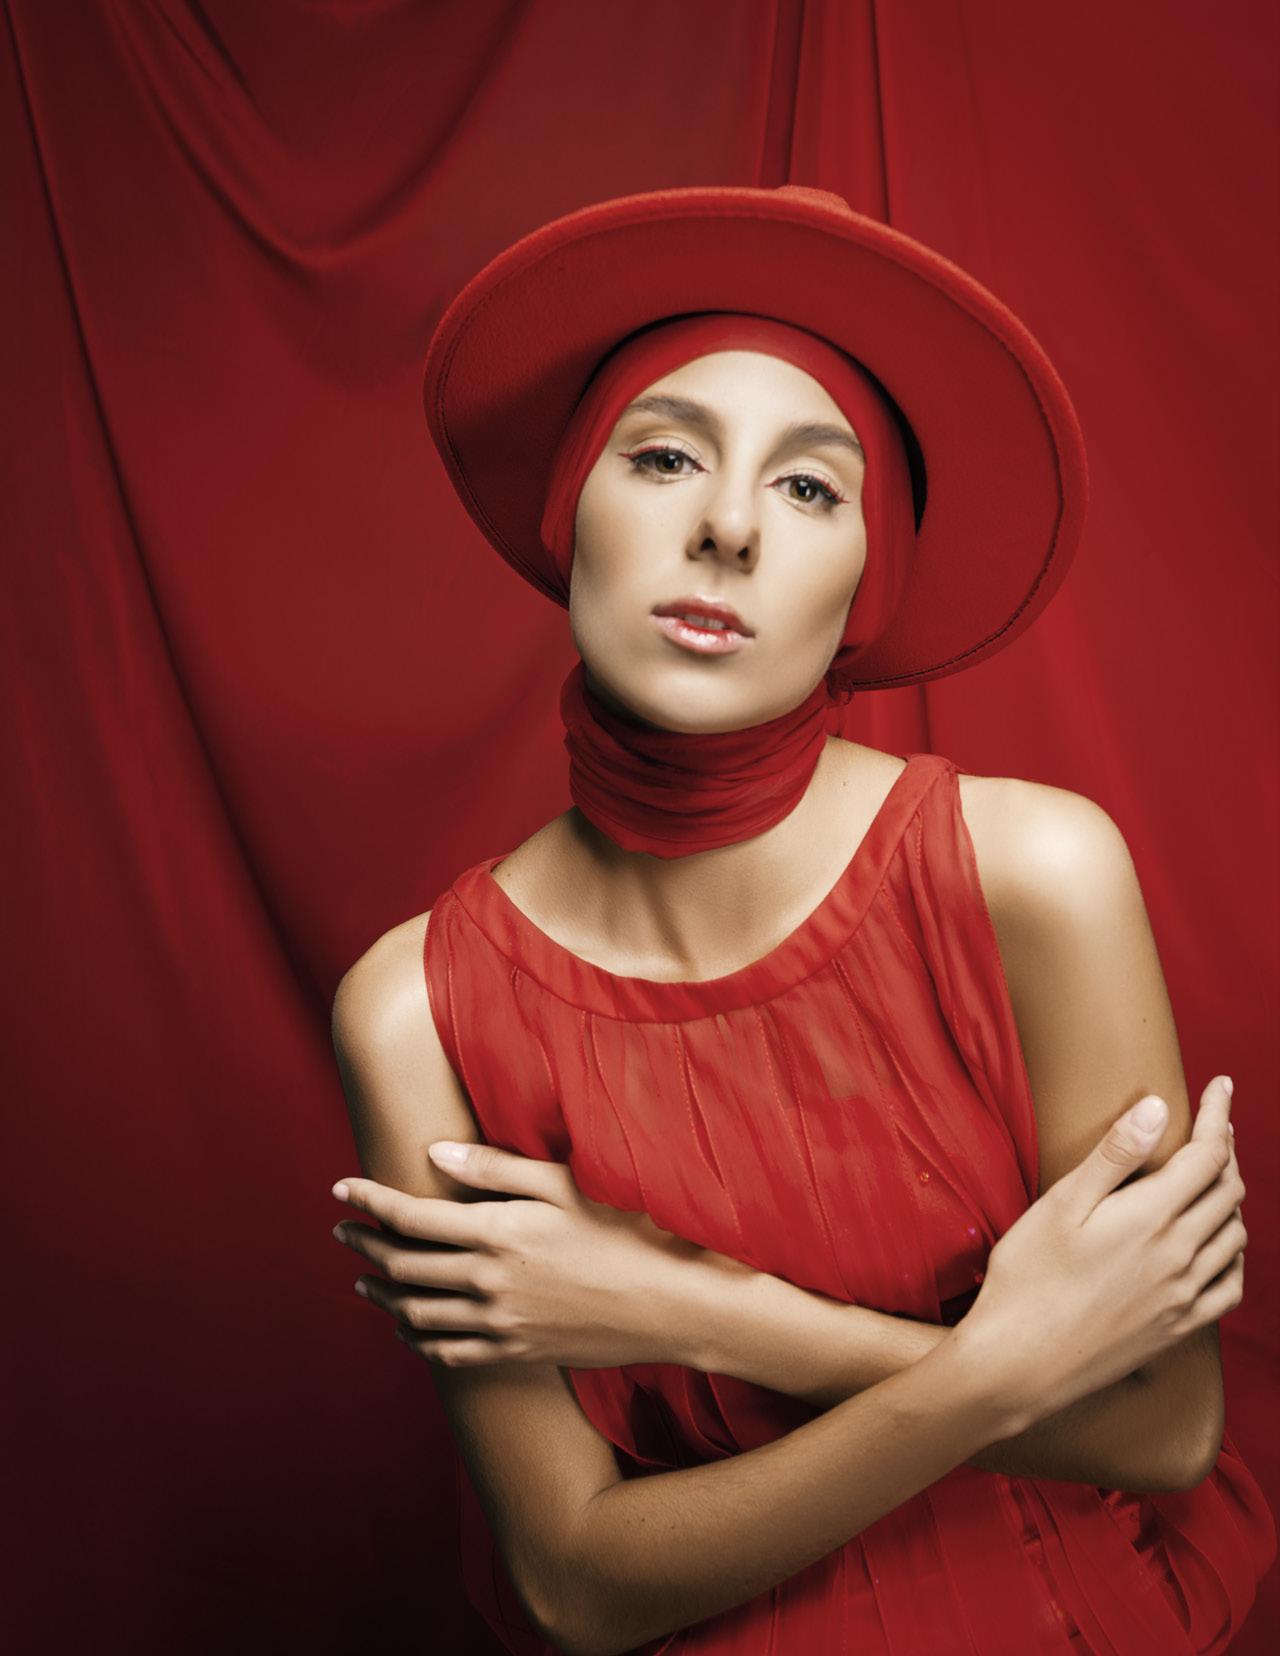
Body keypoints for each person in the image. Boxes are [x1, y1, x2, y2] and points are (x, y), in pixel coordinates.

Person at [328, 187, 1275, 1654]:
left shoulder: (1033, 872)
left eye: (811, 489)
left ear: (867, 582)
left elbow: (1164, 1430)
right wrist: (1001, 1365)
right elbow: (573, 1585)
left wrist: (688, 1309)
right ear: (567, 513)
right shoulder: (413, 1010)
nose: (726, 527)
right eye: (664, 457)